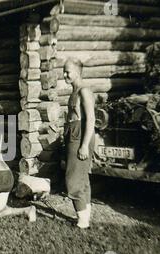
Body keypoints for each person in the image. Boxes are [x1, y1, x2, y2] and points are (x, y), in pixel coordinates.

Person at [63, 58, 96, 229]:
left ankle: (82, 221)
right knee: (82, 179)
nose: (64, 74)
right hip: (73, 136)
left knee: (73, 179)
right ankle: (85, 219)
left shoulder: (84, 91)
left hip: (80, 137)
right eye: (64, 71)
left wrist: (84, 145)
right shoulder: (74, 92)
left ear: (77, 71)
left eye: (67, 71)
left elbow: (90, 120)